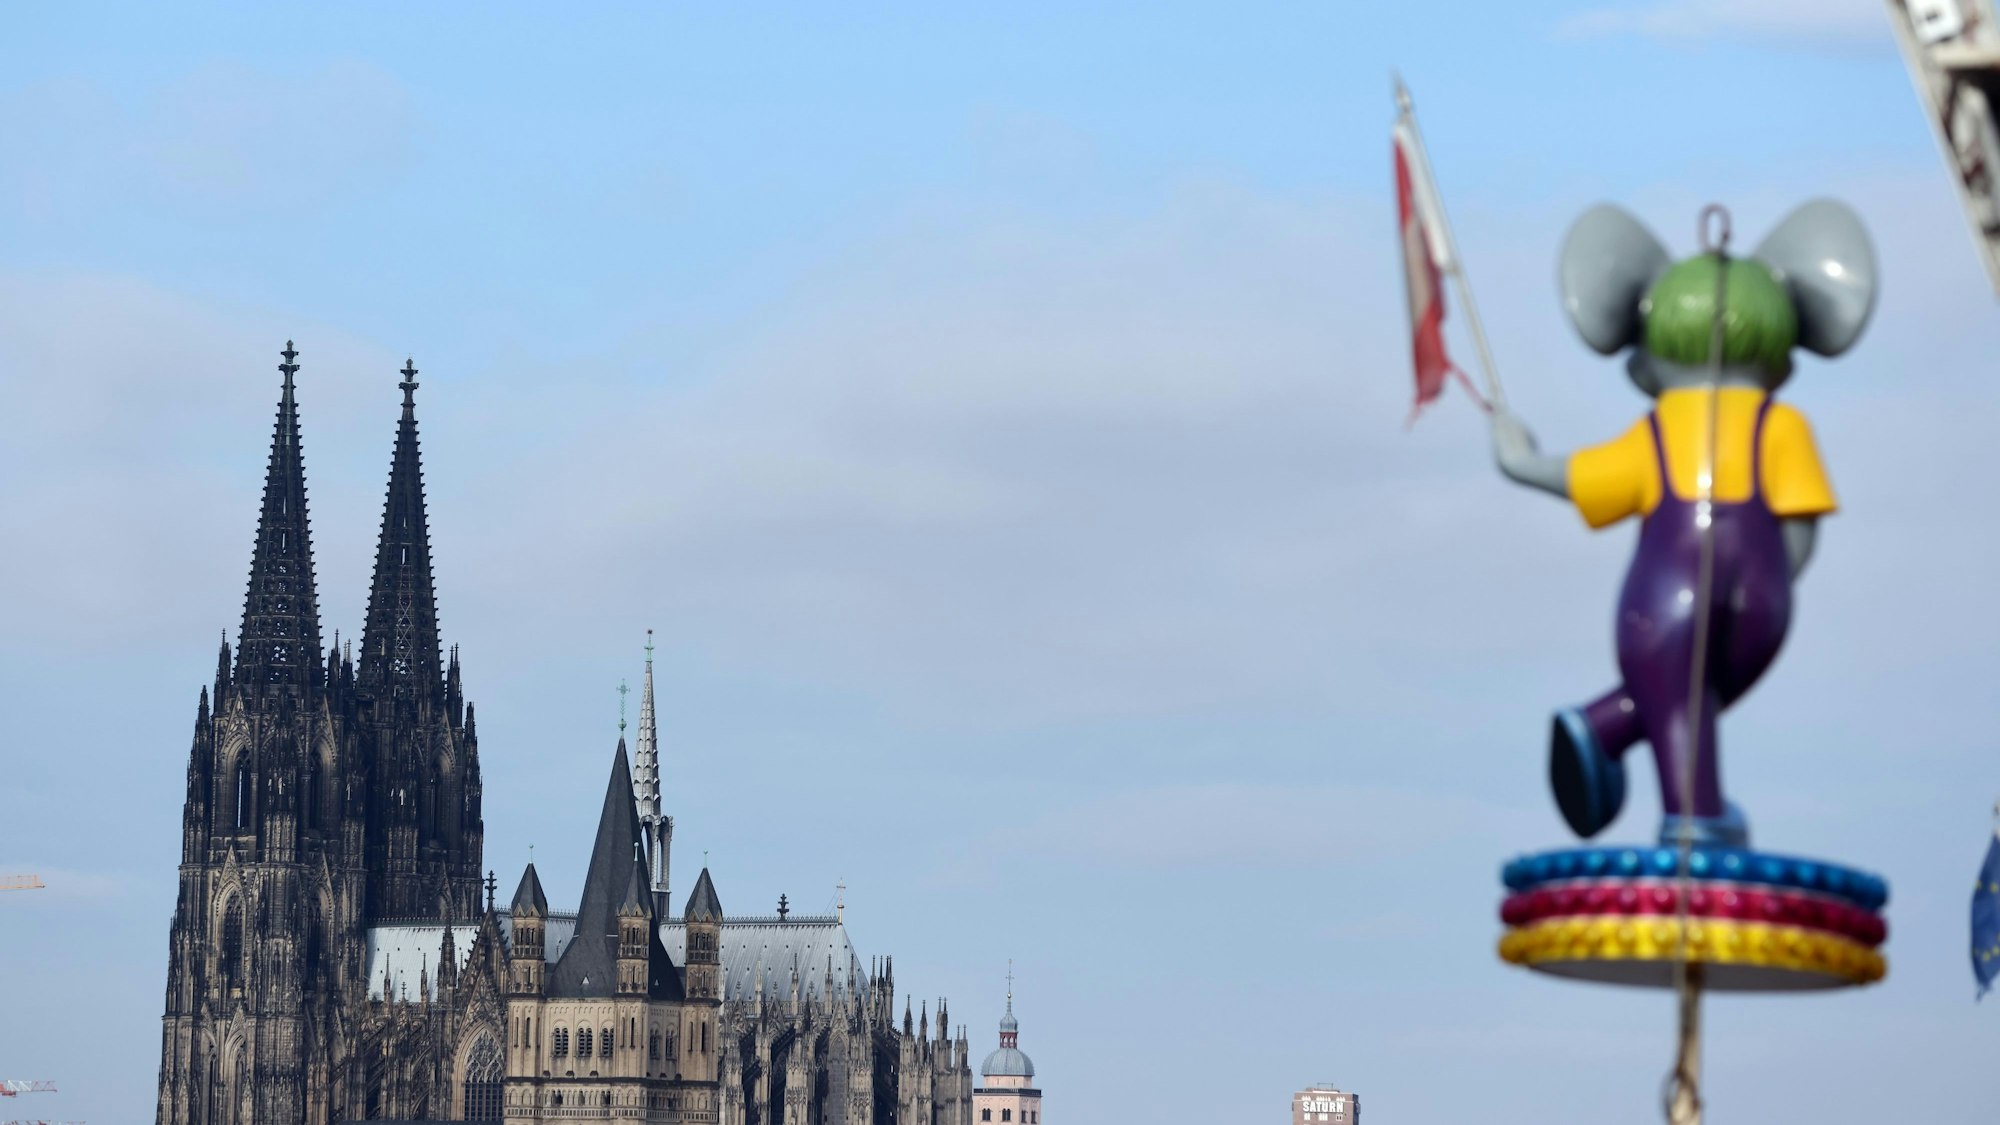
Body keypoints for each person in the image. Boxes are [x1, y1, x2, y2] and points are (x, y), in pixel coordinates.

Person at [1489, 201, 1875, 845]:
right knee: (1687, 702)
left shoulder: (1661, 432)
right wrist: (1774, 587)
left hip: (1656, 601)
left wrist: (1521, 461)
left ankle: (1603, 730)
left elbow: (1585, 478)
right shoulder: (1779, 427)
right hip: (1756, 604)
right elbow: (1801, 533)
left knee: (1680, 695)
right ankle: (1691, 814)